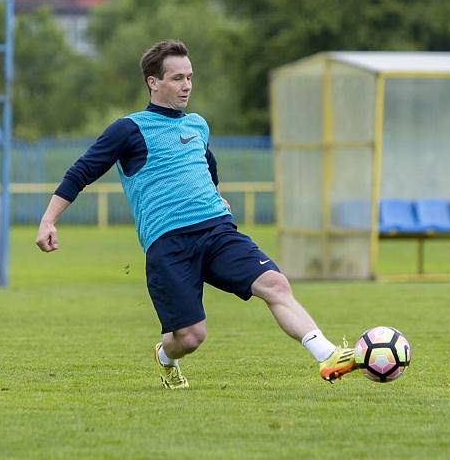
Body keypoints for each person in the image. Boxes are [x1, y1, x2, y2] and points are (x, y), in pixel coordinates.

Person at [35, 40, 355, 389]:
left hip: (217, 231)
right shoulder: (129, 129)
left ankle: (327, 355)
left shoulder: (198, 125)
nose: (186, 85)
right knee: (190, 338)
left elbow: (207, 166)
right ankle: (165, 356)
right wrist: (49, 219)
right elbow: (81, 171)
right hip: (168, 244)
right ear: (153, 82)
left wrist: (218, 197)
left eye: (189, 77)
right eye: (176, 78)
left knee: (276, 284)